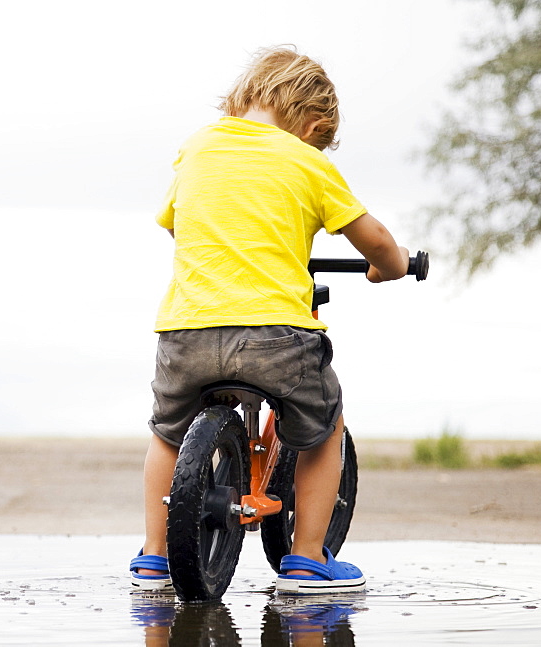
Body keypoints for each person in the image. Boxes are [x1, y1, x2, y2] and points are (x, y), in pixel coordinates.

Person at [129, 45, 411, 594]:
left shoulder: (198, 148)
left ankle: (155, 557)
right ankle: (306, 559)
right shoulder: (307, 160)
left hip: (187, 329)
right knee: (325, 427)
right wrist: (391, 267)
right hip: (275, 336)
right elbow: (374, 239)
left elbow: (173, 222)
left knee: (167, 434)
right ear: (311, 125)